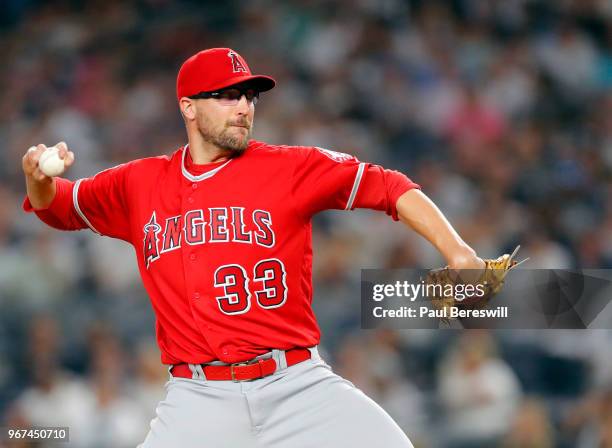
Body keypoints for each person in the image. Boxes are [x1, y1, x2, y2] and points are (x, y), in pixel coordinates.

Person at [22, 47, 485, 447]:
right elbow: (58, 207)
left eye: (249, 95)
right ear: (188, 107)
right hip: (199, 398)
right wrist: (36, 179)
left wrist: (457, 250)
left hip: (297, 385)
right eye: (226, 95)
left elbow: (387, 186)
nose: (243, 106)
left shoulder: (288, 168)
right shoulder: (139, 183)